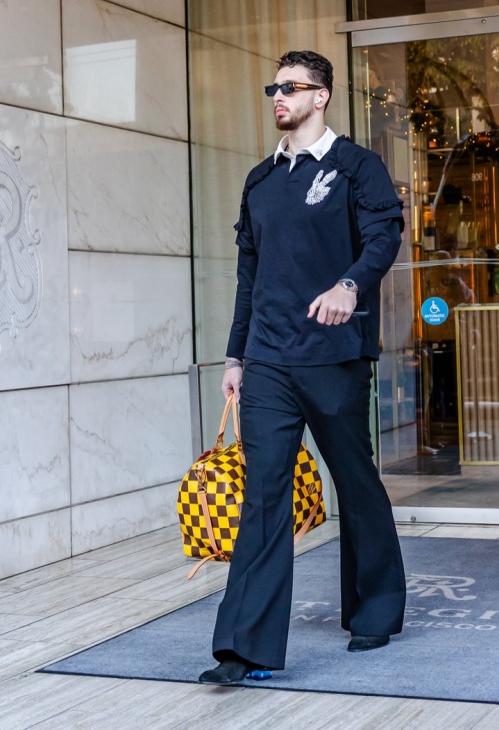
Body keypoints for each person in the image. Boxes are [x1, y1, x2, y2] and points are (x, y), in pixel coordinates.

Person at [198, 50, 407, 685]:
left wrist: (350, 285)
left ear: (322, 96)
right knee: (264, 494)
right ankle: (244, 649)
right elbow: (249, 276)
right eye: (274, 88)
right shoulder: (260, 180)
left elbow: (384, 237)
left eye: (292, 87)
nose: (279, 97)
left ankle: (375, 608)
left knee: (354, 479)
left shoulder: (355, 167)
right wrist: (235, 355)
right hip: (267, 361)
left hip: (334, 355)